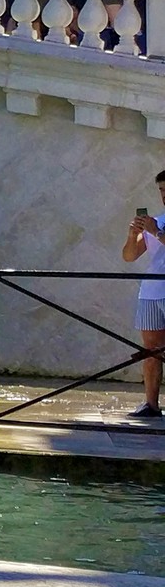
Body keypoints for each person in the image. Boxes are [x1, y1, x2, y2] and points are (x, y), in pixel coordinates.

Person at [124, 172, 165, 417]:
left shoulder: (157, 225)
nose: (164, 195)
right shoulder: (158, 219)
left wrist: (157, 232)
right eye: (161, 190)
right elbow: (129, 256)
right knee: (151, 350)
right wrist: (133, 235)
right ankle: (150, 404)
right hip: (151, 292)